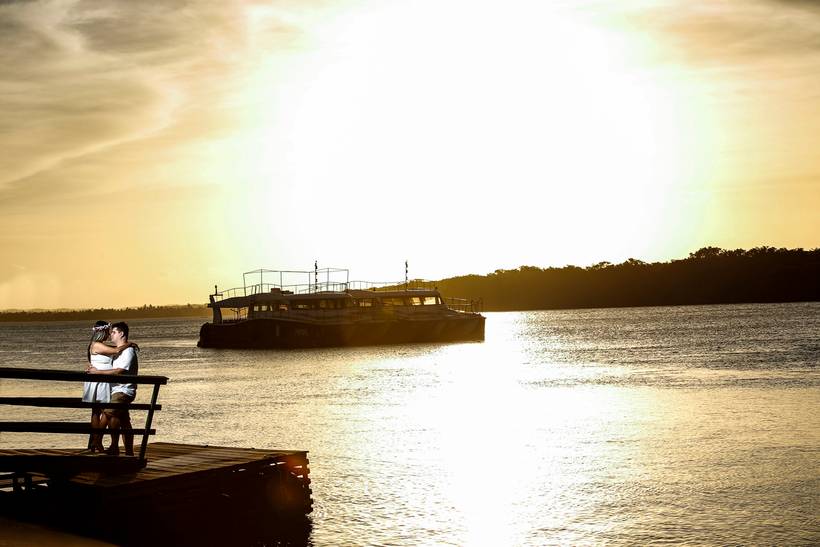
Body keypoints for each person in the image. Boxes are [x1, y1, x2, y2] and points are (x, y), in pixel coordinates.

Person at [87, 322, 139, 456]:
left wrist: (97, 372)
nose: (111, 334)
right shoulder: (117, 349)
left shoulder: (127, 351)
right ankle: (128, 452)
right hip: (114, 389)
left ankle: (104, 443)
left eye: (114, 332)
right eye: (110, 332)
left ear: (121, 333)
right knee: (124, 420)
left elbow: (119, 371)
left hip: (123, 390)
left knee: (109, 413)